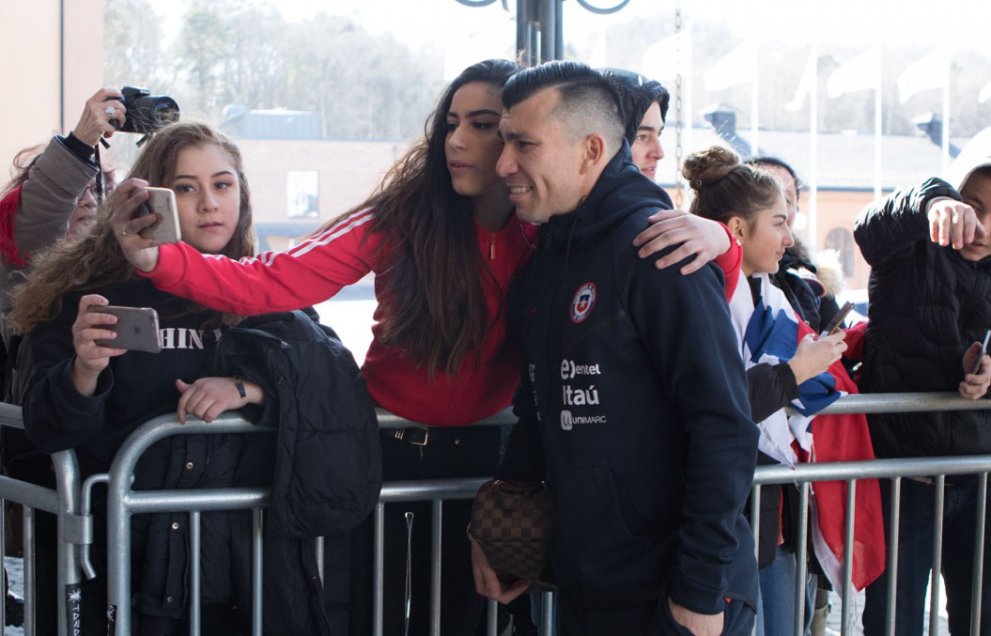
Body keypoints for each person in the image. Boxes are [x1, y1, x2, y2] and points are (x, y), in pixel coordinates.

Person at [110, 59, 730, 635]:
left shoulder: (556, 227)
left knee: (474, 619)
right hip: (384, 456)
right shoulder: (401, 217)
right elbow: (274, 278)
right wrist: (159, 259)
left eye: (488, 127)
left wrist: (721, 241)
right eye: (450, 124)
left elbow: (678, 291)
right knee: (366, 614)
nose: (459, 141)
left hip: (495, 469)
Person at [7, 121, 370, 634]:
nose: (209, 203)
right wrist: (84, 371)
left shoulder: (265, 293)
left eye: (222, 185)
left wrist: (249, 390)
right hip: (120, 567)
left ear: (242, 194)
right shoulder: (90, 296)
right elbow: (44, 433)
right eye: (185, 187)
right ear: (149, 199)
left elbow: (335, 386)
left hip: (237, 573)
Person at [470, 60, 758, 636]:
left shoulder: (661, 251)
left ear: (590, 150)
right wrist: (497, 528)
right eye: (503, 141)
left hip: (675, 595)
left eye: (523, 144)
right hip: (587, 584)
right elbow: (537, 410)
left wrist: (699, 592)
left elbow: (723, 426)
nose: (503, 165)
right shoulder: (546, 261)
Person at [856, 142, 991, 635]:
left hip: (979, 478)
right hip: (903, 479)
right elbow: (869, 225)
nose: (984, 227)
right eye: (974, 207)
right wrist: (932, 199)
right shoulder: (910, 249)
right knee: (895, 621)